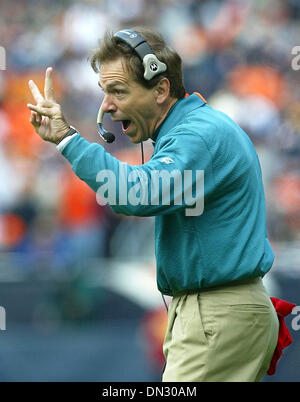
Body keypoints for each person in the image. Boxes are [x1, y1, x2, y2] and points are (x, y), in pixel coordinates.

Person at [27, 27, 280, 382]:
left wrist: (69, 140)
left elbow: (135, 194)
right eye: (104, 92)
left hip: (217, 313)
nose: (107, 106)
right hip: (219, 312)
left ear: (161, 89)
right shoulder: (193, 130)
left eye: (118, 91)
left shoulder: (197, 135)